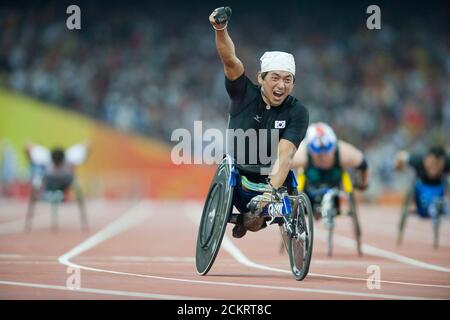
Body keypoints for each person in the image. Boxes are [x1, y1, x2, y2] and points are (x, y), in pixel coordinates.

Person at [208, 7, 309, 238]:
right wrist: (220, 29)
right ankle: (245, 218)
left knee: (254, 222)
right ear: (260, 78)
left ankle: (247, 221)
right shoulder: (244, 93)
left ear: (293, 83)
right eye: (275, 78)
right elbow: (230, 60)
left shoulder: (298, 111)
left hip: (269, 178)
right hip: (237, 175)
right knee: (250, 214)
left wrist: (271, 191)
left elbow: (286, 157)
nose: (281, 85)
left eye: (287, 80)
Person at [292, 122, 369, 218]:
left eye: (326, 151)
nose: (322, 156)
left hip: (334, 179)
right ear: (310, 149)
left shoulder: (344, 153)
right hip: (310, 183)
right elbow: (281, 167)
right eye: (318, 153)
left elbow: (364, 166)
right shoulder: (301, 154)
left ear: (334, 146)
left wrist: (363, 183)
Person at [395, 146, 450, 218]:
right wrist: (399, 167)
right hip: (421, 187)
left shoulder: (448, 163)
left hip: (440, 187)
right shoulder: (417, 160)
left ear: (443, 161)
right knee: (415, 186)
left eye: (438, 164)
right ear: (426, 159)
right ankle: (421, 207)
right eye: (432, 163)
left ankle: (439, 207)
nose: (434, 167)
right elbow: (401, 155)